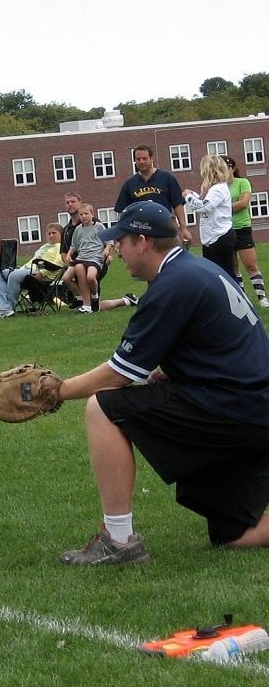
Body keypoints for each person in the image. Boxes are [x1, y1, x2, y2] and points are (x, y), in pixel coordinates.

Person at [55, 201, 269, 565]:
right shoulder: (195, 269)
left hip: (234, 411)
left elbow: (120, 373)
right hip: (250, 409)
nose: (116, 249)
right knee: (233, 535)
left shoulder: (172, 284)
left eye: (121, 240)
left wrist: (56, 392)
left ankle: (118, 542)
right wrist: (175, 372)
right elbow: (224, 345)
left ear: (143, 240)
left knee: (103, 407)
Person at [114, 144, 192, 245]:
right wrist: (122, 237)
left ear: (151, 158)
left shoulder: (167, 178)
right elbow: (123, 212)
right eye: (138, 159)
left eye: (145, 158)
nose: (141, 162)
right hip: (141, 233)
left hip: (164, 229)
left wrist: (183, 228)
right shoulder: (129, 184)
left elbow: (178, 204)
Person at [223, 155, 269, 307]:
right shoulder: (217, 187)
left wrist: (222, 208)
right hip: (225, 229)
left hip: (242, 228)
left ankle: (262, 297)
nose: (225, 171)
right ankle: (242, 299)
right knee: (233, 266)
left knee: (251, 264)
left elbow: (243, 204)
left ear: (233, 169)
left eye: (227, 168)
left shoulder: (242, 182)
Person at [0, 223, 64, 318]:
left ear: (61, 234)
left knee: (13, 275)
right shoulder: (45, 247)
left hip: (42, 275)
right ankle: (3, 308)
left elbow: (59, 263)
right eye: (49, 233)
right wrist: (20, 269)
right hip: (28, 270)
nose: (51, 235)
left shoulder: (61, 247)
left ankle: (9, 308)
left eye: (54, 233)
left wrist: (42, 273)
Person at [182, 154, 235, 277]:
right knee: (214, 275)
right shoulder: (213, 189)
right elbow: (204, 201)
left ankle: (234, 296)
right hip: (211, 238)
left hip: (220, 236)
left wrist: (188, 197)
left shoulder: (218, 189)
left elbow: (204, 207)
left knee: (224, 275)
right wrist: (193, 195)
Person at [61, 203, 112, 313]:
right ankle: (83, 302)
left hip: (95, 257)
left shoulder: (99, 226)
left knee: (90, 277)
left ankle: (94, 296)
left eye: (86, 214)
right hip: (82, 256)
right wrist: (69, 254)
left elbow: (109, 241)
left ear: (92, 214)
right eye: (81, 214)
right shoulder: (78, 229)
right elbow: (74, 246)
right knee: (66, 278)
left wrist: (106, 250)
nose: (83, 216)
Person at [59, 193, 82, 264]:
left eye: (73, 202)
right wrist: (68, 263)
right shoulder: (65, 230)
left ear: (80, 203)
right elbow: (63, 252)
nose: (70, 204)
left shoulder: (92, 222)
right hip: (73, 265)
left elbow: (107, 241)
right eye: (67, 202)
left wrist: (109, 256)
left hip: (92, 263)